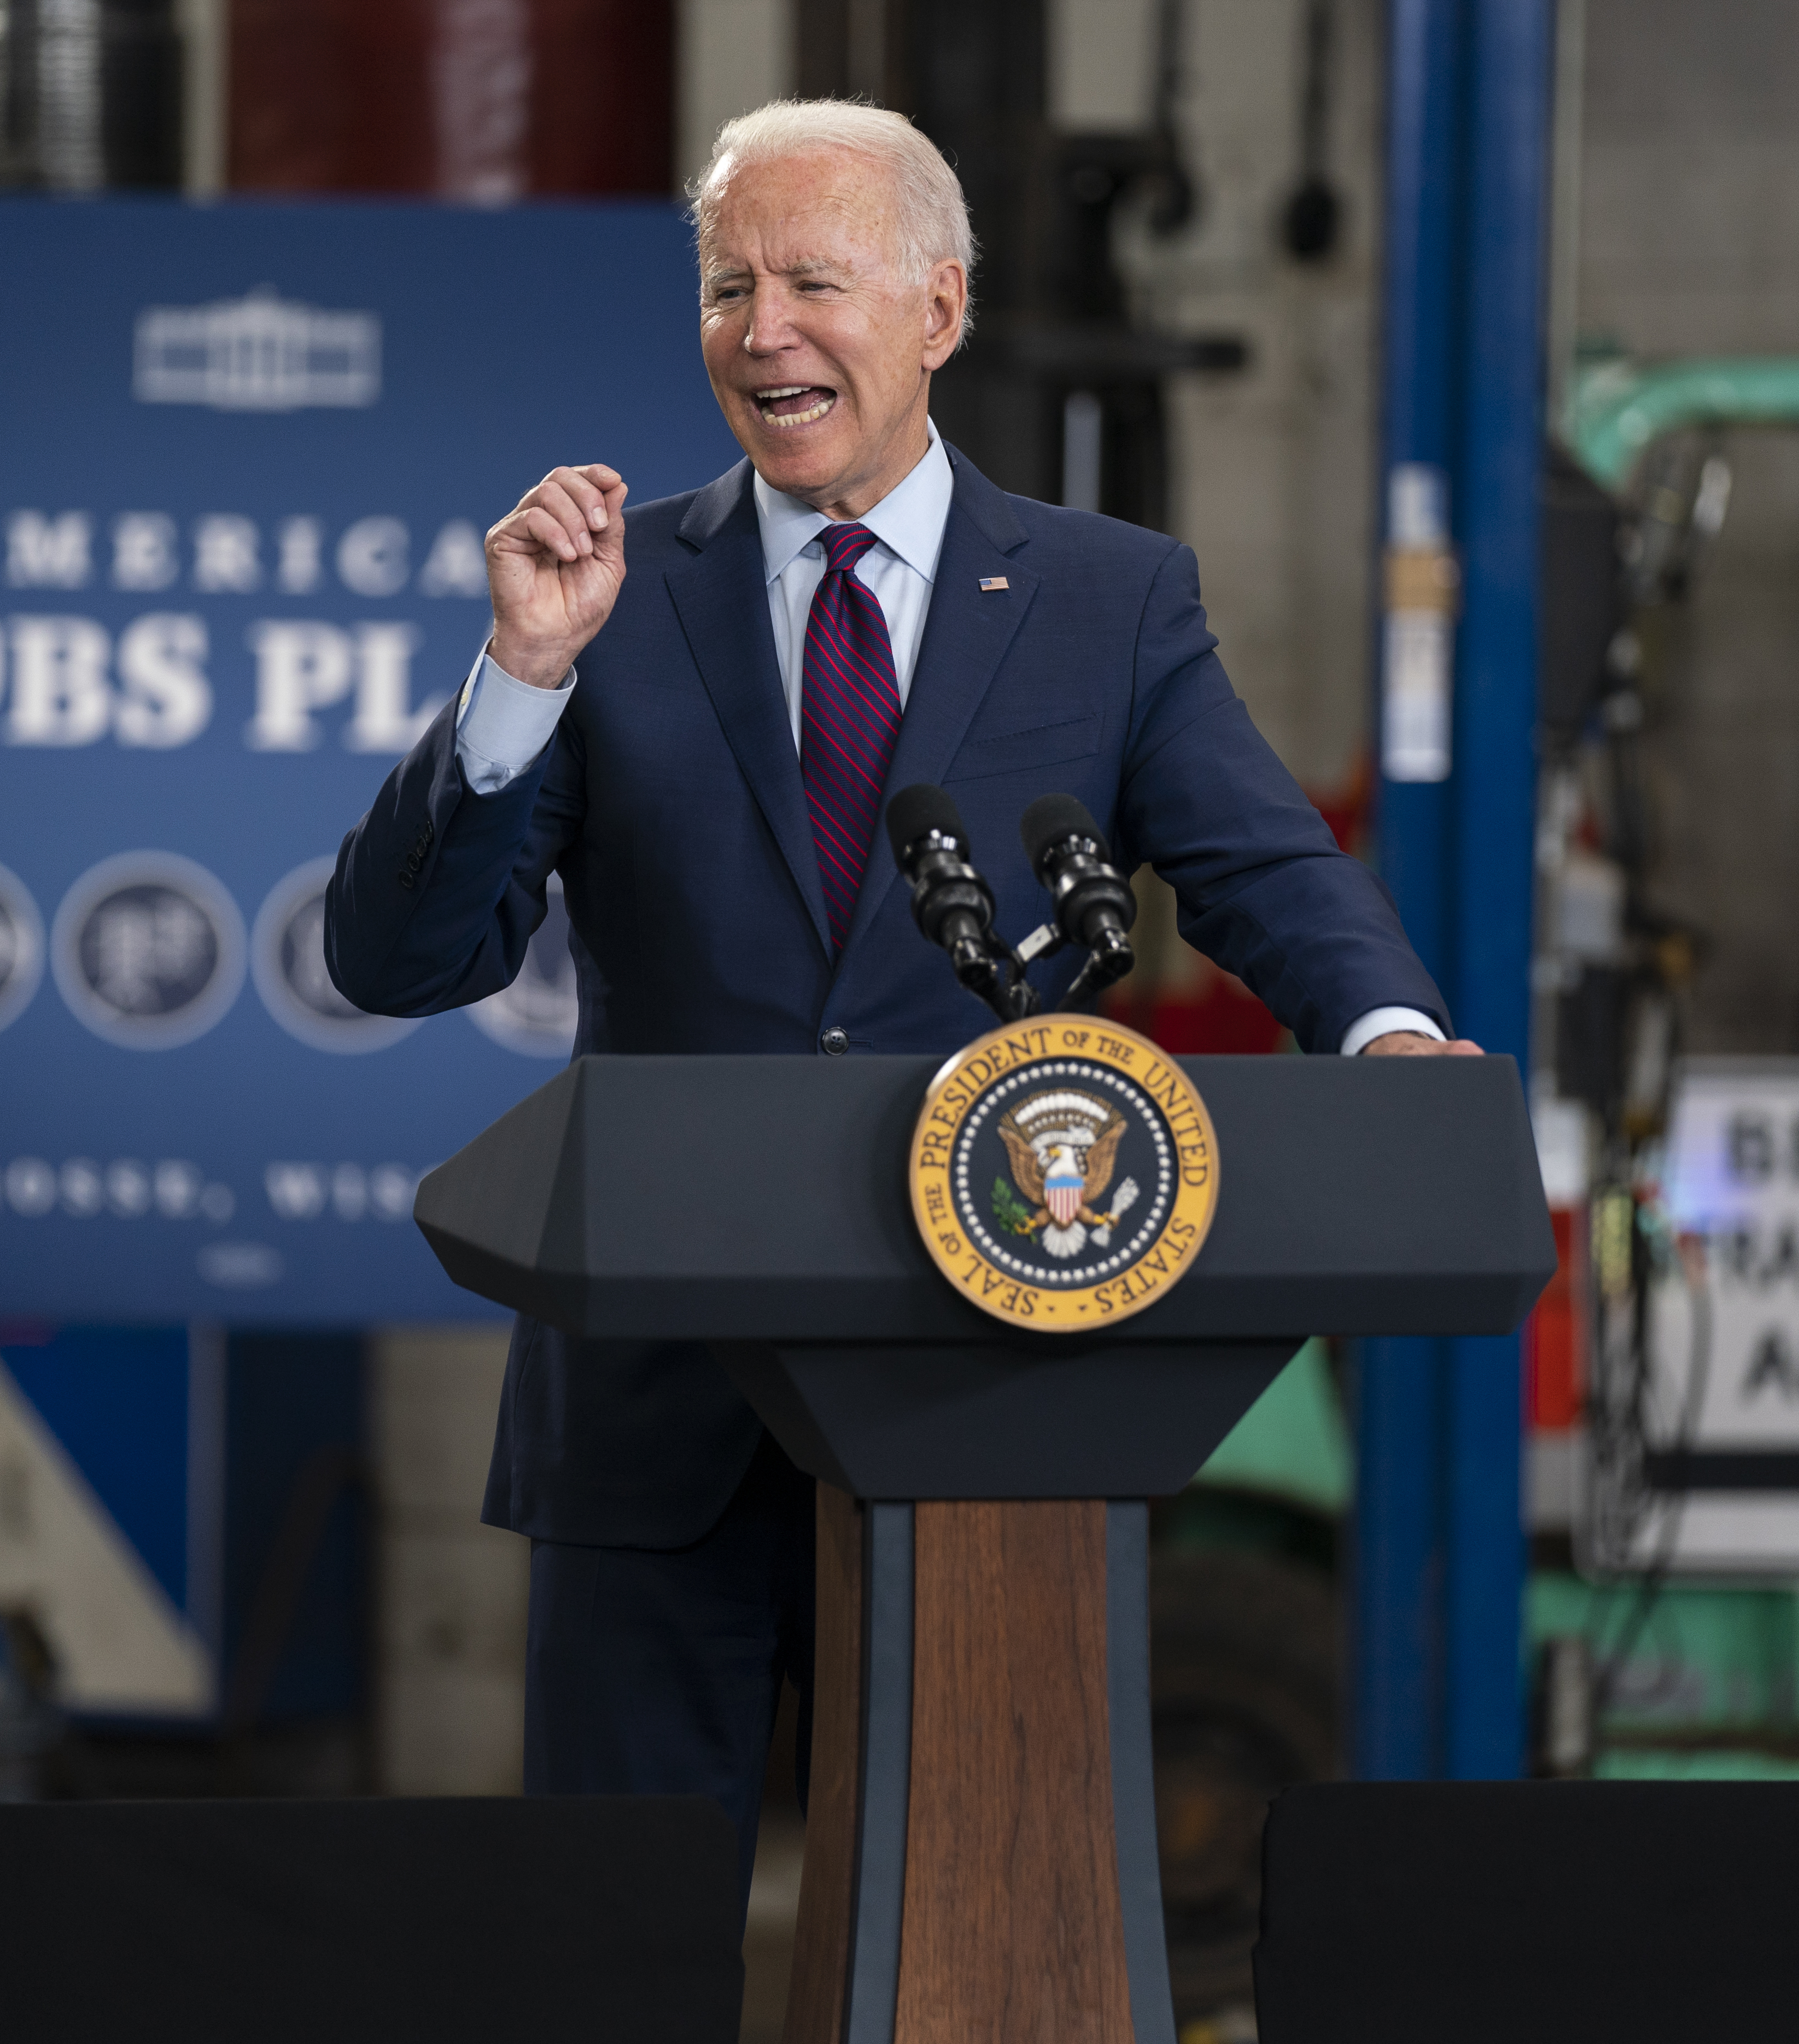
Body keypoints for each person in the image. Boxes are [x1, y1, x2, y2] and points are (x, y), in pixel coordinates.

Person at [325, 98, 1473, 1871]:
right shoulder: (612, 603)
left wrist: (1389, 1035)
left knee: (981, 1918)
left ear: (940, 307)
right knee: (611, 1935)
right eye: (727, 289)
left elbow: (1262, 866)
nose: (761, 330)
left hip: (988, 1389)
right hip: (659, 1420)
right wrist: (518, 673)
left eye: (810, 281)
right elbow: (396, 959)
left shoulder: (1110, 600)